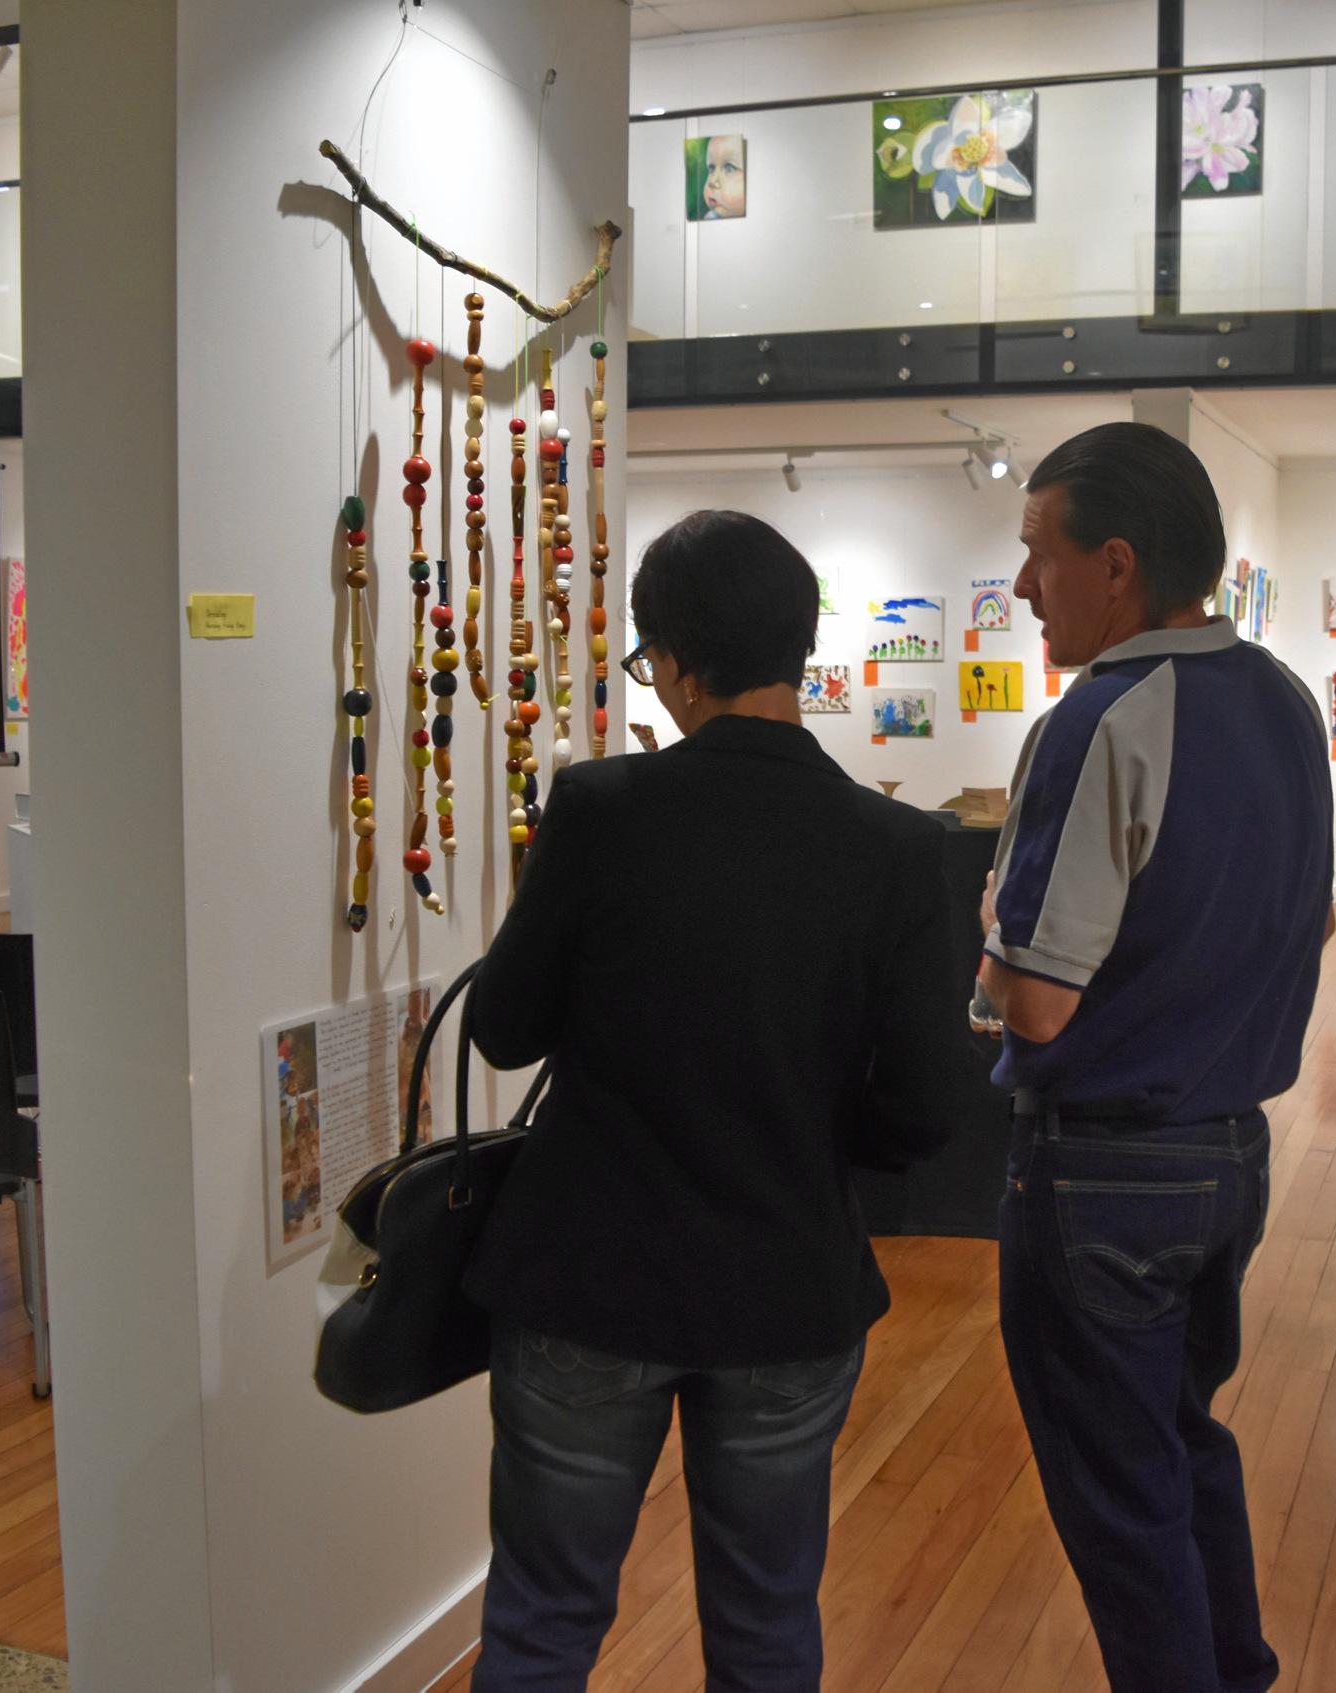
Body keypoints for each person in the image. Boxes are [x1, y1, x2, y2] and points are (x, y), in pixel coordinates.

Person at [462, 508, 965, 1691]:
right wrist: (818, 1133)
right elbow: (930, 1106)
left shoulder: (600, 808)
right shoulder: (897, 846)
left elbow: (503, 1027)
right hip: (787, 1285)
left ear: (678, 662)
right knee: (766, 1623)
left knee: (543, 1618)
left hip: (588, 1278)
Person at [976, 422, 1334, 1693]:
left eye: (1038, 555)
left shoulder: (1103, 718)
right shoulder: (1287, 701)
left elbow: (1038, 1009)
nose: (1023, 588)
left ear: (1114, 564)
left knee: (1121, 1504)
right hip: (1233, 1156)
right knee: (1180, 1448)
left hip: (1101, 1176)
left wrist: (987, 961)